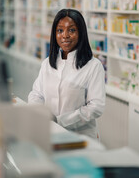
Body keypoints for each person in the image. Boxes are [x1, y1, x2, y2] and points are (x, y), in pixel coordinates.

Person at [28, 9, 105, 139]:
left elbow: (95, 107)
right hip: (50, 133)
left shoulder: (93, 66)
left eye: (72, 30)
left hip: (80, 137)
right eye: (60, 30)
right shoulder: (47, 63)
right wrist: (39, 113)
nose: (65, 35)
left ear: (81, 33)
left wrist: (59, 121)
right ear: (54, 34)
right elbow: (36, 94)